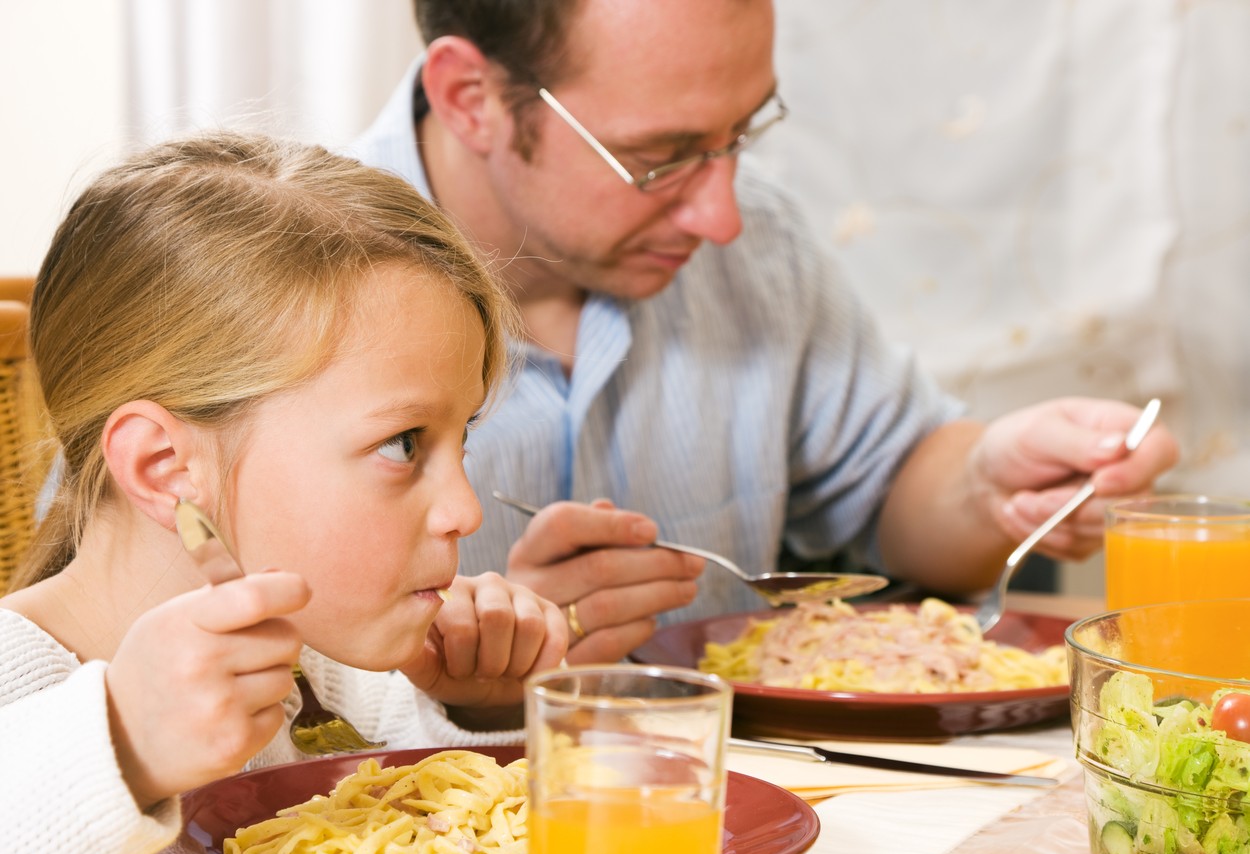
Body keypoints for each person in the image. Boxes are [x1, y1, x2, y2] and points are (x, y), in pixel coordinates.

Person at [348, 0, 1179, 664]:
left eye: (742, 133)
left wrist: (990, 487)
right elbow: (270, 701)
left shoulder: (763, 253)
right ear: (471, 98)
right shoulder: (285, 290)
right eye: (662, 158)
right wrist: (471, 665)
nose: (722, 215)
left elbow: (891, 493)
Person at [0, 131, 566, 854]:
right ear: (165, 468)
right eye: (403, 444)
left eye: (461, 438)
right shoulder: (18, 690)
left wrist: (476, 708)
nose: (465, 511)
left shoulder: (323, 673)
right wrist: (120, 740)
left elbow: (453, 838)